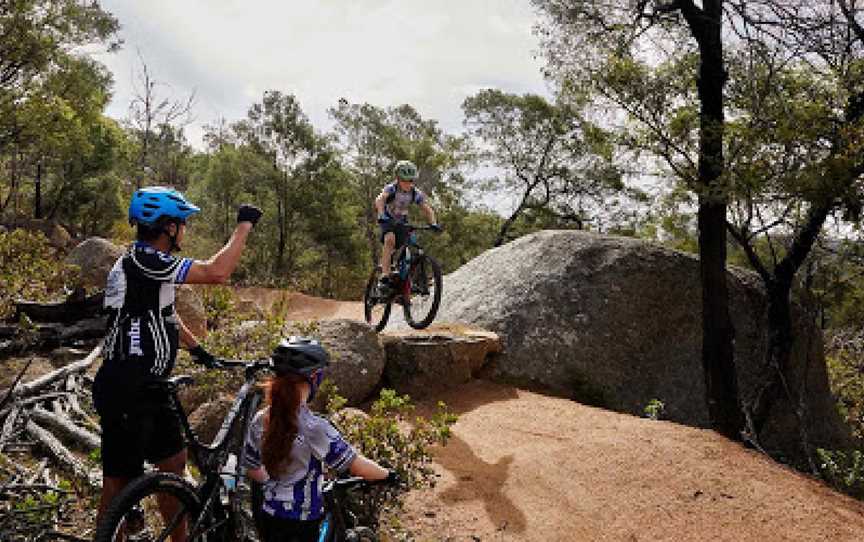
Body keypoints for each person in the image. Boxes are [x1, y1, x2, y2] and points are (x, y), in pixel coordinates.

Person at [92, 186, 263, 540]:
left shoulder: (149, 268)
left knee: (173, 467)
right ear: (168, 227)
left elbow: (166, 313)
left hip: (151, 385)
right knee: (118, 481)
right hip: (126, 383)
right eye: (182, 222)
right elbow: (217, 272)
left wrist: (200, 351)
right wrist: (244, 226)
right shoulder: (143, 260)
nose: (185, 229)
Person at [244, 336, 396, 542]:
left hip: (269, 516)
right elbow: (356, 465)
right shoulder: (314, 427)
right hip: (301, 523)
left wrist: (275, 486)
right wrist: (388, 475)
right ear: (315, 377)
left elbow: (252, 467)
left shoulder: (260, 419)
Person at [374, 160, 440, 294]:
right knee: (390, 241)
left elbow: (427, 209)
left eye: (411, 180)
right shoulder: (391, 188)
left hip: (402, 221)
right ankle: (384, 276)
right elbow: (379, 200)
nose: (408, 183)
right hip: (388, 219)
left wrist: (433, 223)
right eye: (405, 180)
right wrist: (381, 214)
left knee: (413, 244)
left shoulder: (415, 193)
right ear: (398, 179)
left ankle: (412, 279)